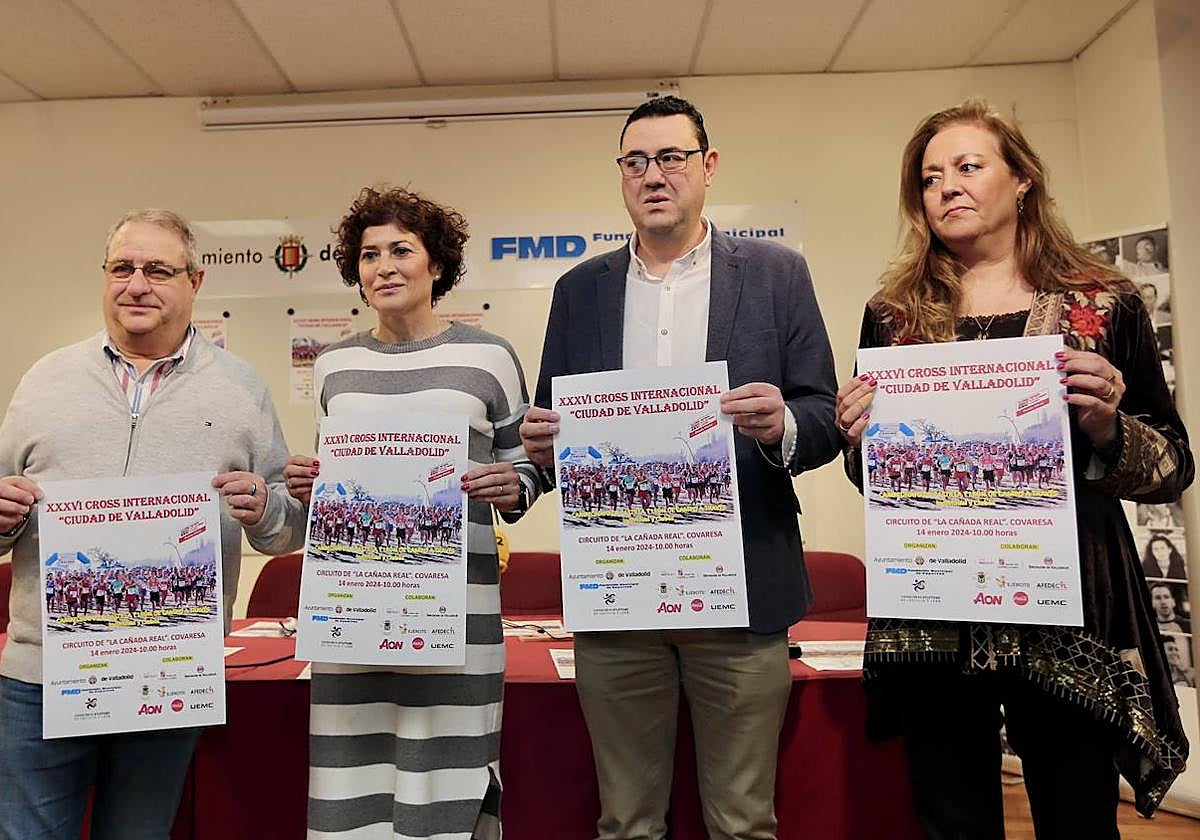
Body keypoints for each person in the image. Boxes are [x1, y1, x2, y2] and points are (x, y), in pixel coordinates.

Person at [834, 100, 1193, 837]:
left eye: (969, 166)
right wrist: (859, 439)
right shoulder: (893, 315)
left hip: (1071, 612)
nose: (948, 186)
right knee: (950, 820)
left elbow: (1172, 466)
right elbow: (872, 480)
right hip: (935, 609)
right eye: (930, 177)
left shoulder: (1103, 305)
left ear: (1023, 178)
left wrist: (1107, 425)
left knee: (1077, 817)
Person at [520, 95, 840, 839]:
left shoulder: (777, 275)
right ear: (621, 175)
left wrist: (784, 424)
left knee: (742, 824)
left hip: (743, 588)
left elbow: (824, 415)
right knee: (627, 824)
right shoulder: (579, 292)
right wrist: (544, 447)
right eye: (635, 161)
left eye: (671, 157)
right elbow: (555, 429)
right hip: (617, 595)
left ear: (708, 166)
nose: (653, 175)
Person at [0, 209, 305, 840]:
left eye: (159, 270)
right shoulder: (45, 379)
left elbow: (286, 529)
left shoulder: (240, 387)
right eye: (122, 267)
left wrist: (266, 508)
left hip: (169, 671)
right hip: (43, 676)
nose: (137, 284)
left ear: (195, 282)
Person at [282, 187, 539, 840]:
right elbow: (334, 479)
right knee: (350, 796)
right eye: (369, 255)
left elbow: (530, 469)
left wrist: (512, 485)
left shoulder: (490, 357)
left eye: (401, 250)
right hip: (351, 618)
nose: (384, 267)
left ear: (437, 264)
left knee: (449, 794)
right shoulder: (334, 364)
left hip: (458, 619)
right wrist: (309, 485)